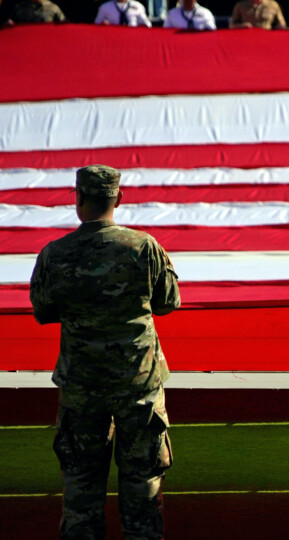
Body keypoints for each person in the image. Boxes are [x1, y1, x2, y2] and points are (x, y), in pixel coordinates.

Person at [30, 165, 180, 539]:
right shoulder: (143, 247)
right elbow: (167, 303)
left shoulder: (56, 253)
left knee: (81, 492)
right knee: (143, 489)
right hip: (138, 384)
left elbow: (44, 311)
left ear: (79, 201)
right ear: (119, 199)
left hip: (82, 386)